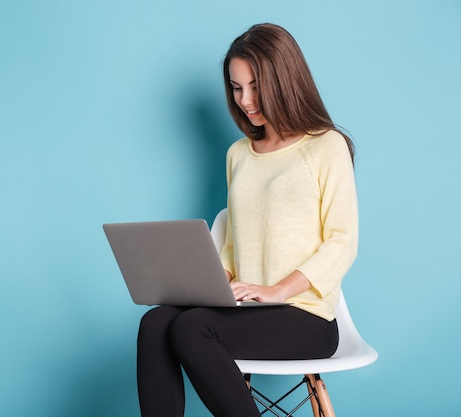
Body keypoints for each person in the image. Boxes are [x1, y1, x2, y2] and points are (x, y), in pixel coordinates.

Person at [136, 23, 358, 417]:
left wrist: (278, 289)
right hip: (247, 310)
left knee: (191, 330)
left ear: (284, 79)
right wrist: (216, 278)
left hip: (306, 316)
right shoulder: (239, 154)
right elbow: (235, 242)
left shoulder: (326, 146)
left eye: (254, 86)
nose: (245, 100)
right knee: (155, 322)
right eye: (237, 88)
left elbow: (342, 241)